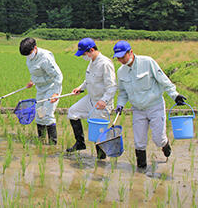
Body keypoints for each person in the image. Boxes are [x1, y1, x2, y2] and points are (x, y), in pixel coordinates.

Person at [113, 40, 186, 169]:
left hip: (155, 106)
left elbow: (163, 80)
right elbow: (123, 93)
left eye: (123, 57)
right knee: (139, 142)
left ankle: (165, 144)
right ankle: (141, 170)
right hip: (137, 109)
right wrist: (120, 105)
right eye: (118, 58)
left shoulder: (147, 62)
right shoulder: (121, 72)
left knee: (158, 139)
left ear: (131, 52)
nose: (121, 60)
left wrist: (175, 95)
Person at [66, 38, 117, 159]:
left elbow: (112, 86)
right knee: (72, 112)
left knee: (97, 134)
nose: (84, 56)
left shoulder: (105, 63)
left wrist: (104, 101)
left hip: (102, 103)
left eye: (84, 54)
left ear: (91, 50)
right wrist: (80, 88)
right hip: (91, 99)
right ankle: (80, 143)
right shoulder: (92, 61)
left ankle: (101, 159)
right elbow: (89, 79)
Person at [19, 37, 63, 145]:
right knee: (40, 115)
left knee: (47, 114)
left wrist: (56, 93)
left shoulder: (45, 58)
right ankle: (41, 141)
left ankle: (53, 144)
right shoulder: (29, 56)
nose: (28, 57)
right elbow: (36, 72)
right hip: (41, 88)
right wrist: (32, 81)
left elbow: (58, 76)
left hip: (51, 88)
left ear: (35, 48)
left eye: (29, 53)